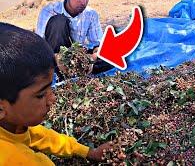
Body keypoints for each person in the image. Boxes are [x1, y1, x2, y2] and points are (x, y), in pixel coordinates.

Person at [0, 22, 114, 165]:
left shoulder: (12, 124)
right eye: (41, 95)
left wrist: (89, 152)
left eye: (50, 88)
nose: (53, 98)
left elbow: (40, 136)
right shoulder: (16, 159)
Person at [36, 0, 113, 77]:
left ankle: (77, 70)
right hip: (55, 59)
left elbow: (98, 44)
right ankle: (60, 71)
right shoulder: (49, 11)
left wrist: (92, 58)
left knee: (110, 58)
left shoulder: (91, 14)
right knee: (58, 21)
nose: (83, 2)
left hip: (78, 57)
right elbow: (38, 48)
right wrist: (56, 58)